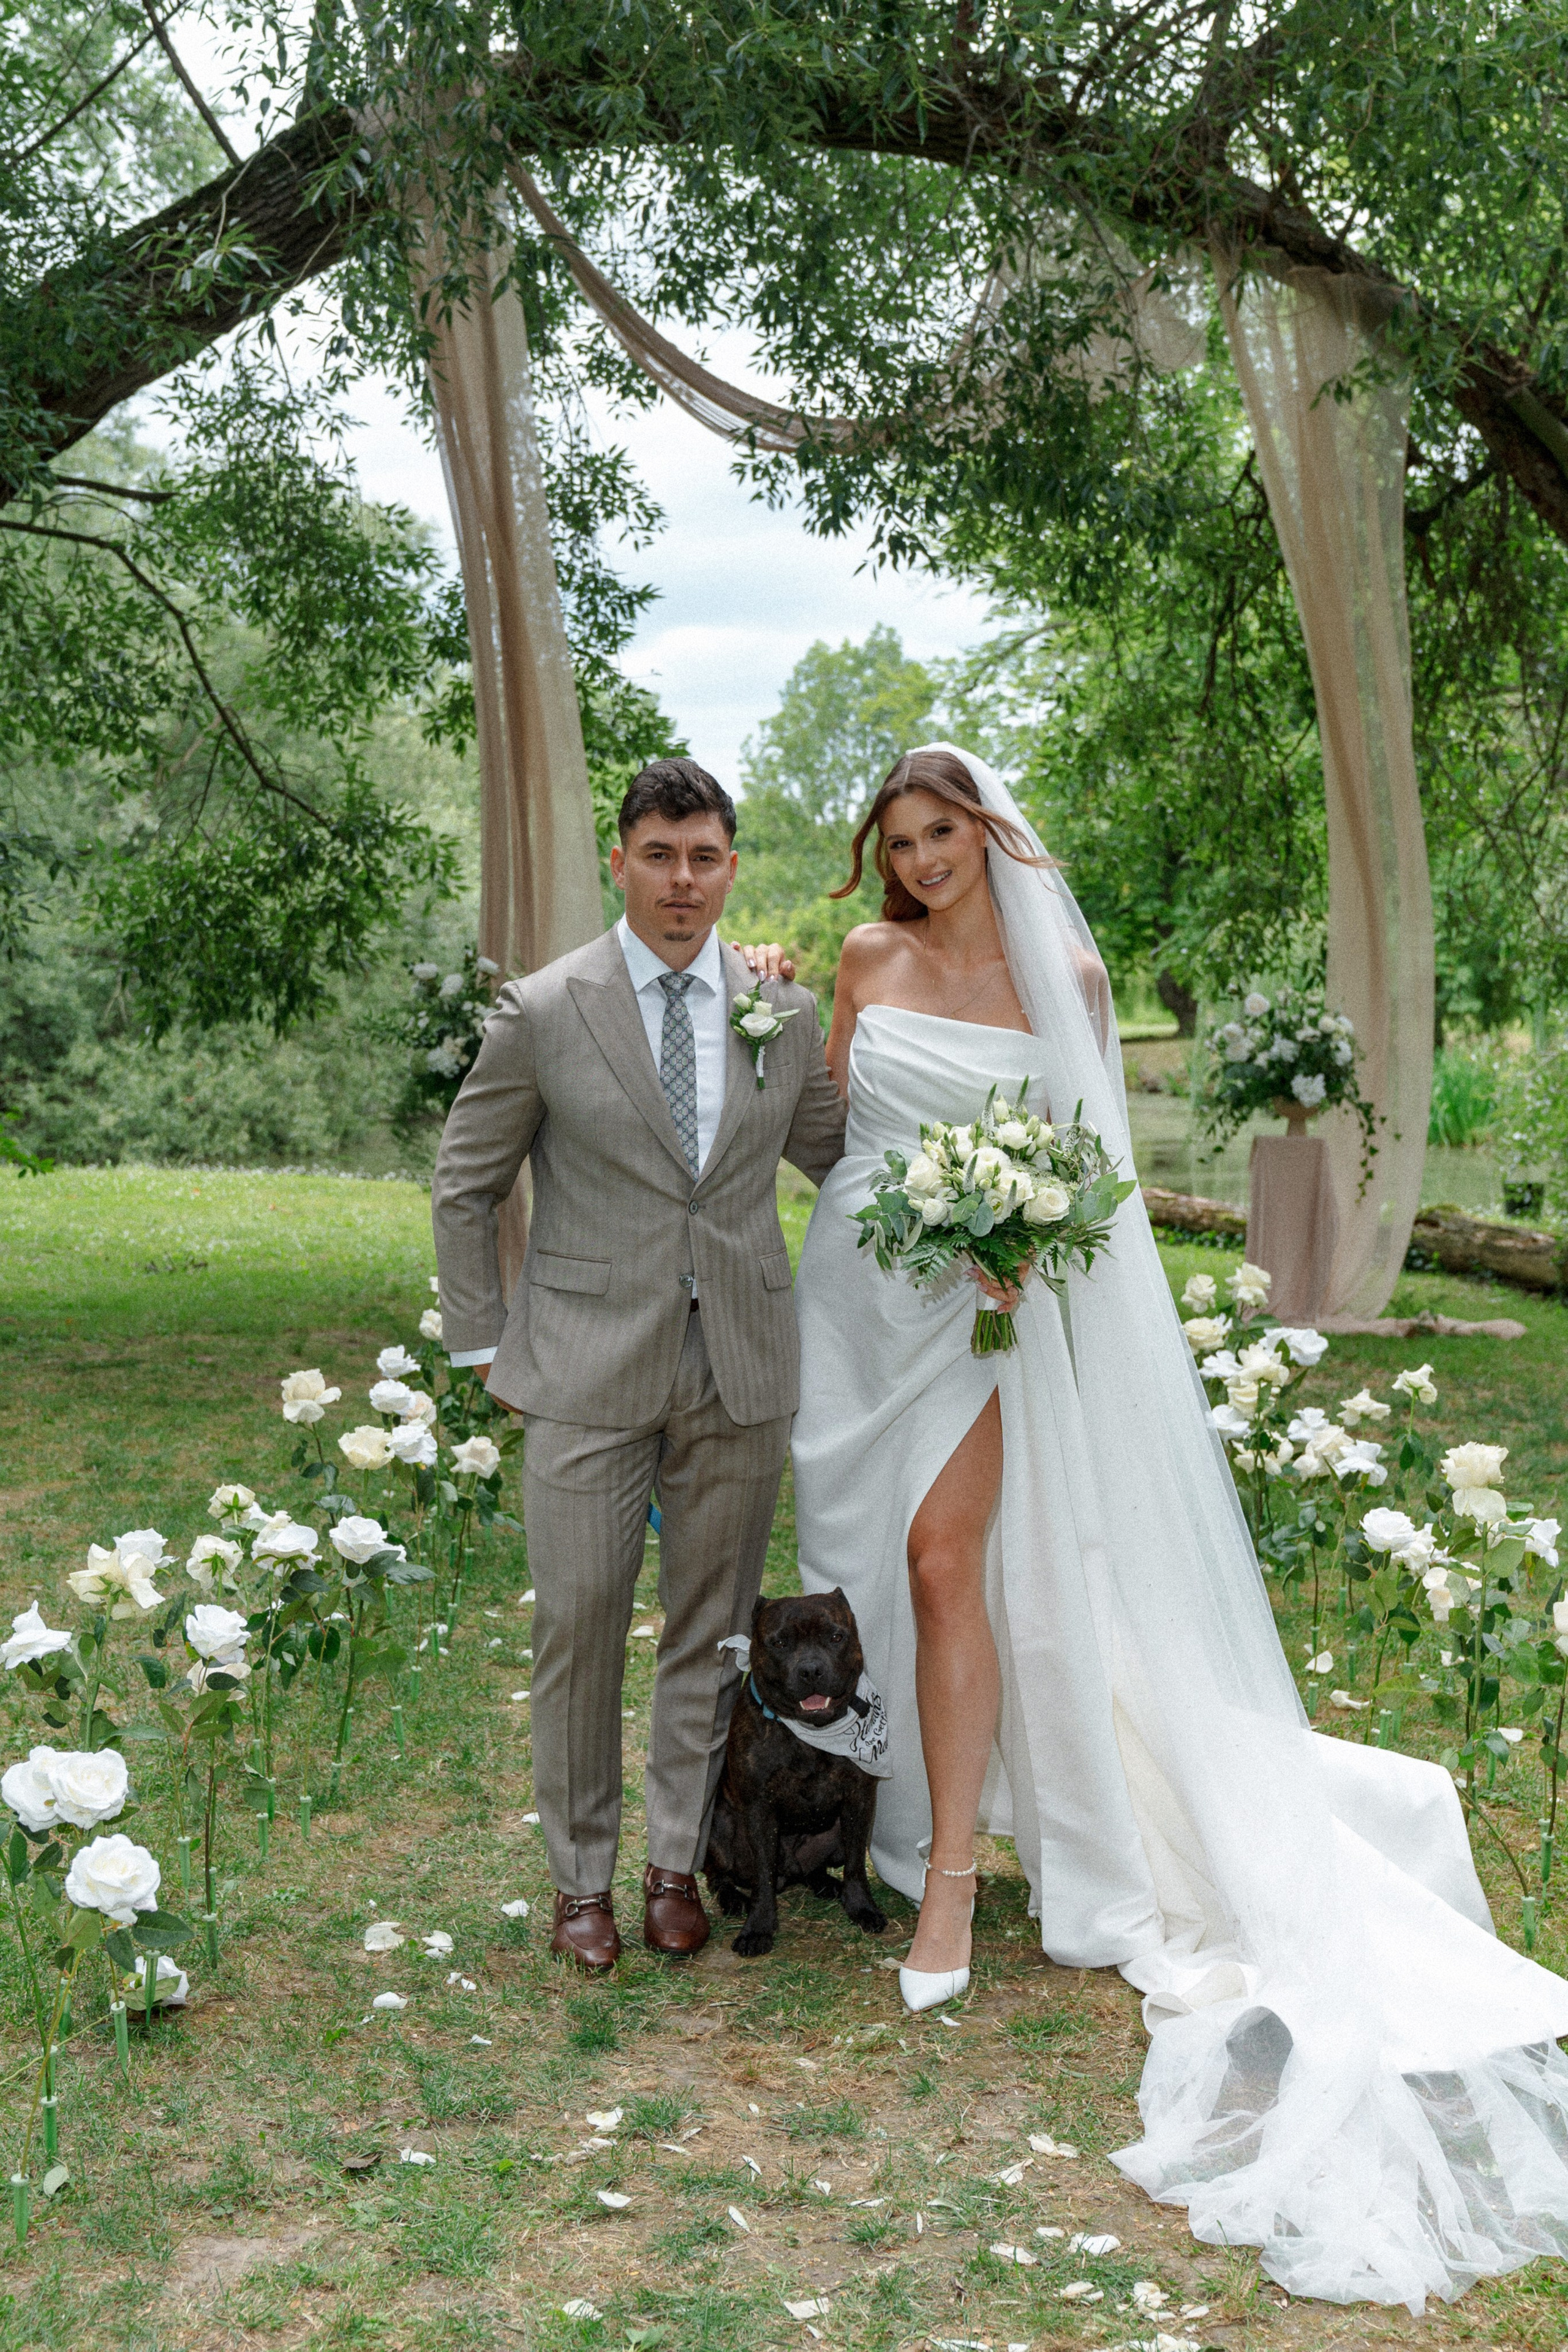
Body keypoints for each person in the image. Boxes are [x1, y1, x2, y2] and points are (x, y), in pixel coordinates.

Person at [764, 742, 1568, 2310]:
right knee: (862, 1571)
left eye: (943, 837)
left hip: (984, 1321)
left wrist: (1012, 1236)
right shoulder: (865, 956)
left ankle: (946, 1897)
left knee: (944, 1568)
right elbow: (830, 1129)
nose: (922, 864)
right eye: (901, 842)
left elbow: (1091, 1181)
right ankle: (903, 1816)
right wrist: (766, 1014)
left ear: (988, 832)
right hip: (855, 1303)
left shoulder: (1061, 965)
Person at [431, 757, 845, 1972]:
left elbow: (838, 1157)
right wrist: (482, 1344)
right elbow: (465, 1182)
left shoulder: (782, 1013)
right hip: (578, 1367)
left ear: (729, 868)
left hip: (739, 1368)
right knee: (578, 1622)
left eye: (704, 857)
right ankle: (578, 1883)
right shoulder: (545, 1010)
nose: (682, 881)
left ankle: (674, 1864)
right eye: (658, 856)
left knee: (714, 1633)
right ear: (620, 862)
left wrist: (973, 1204)